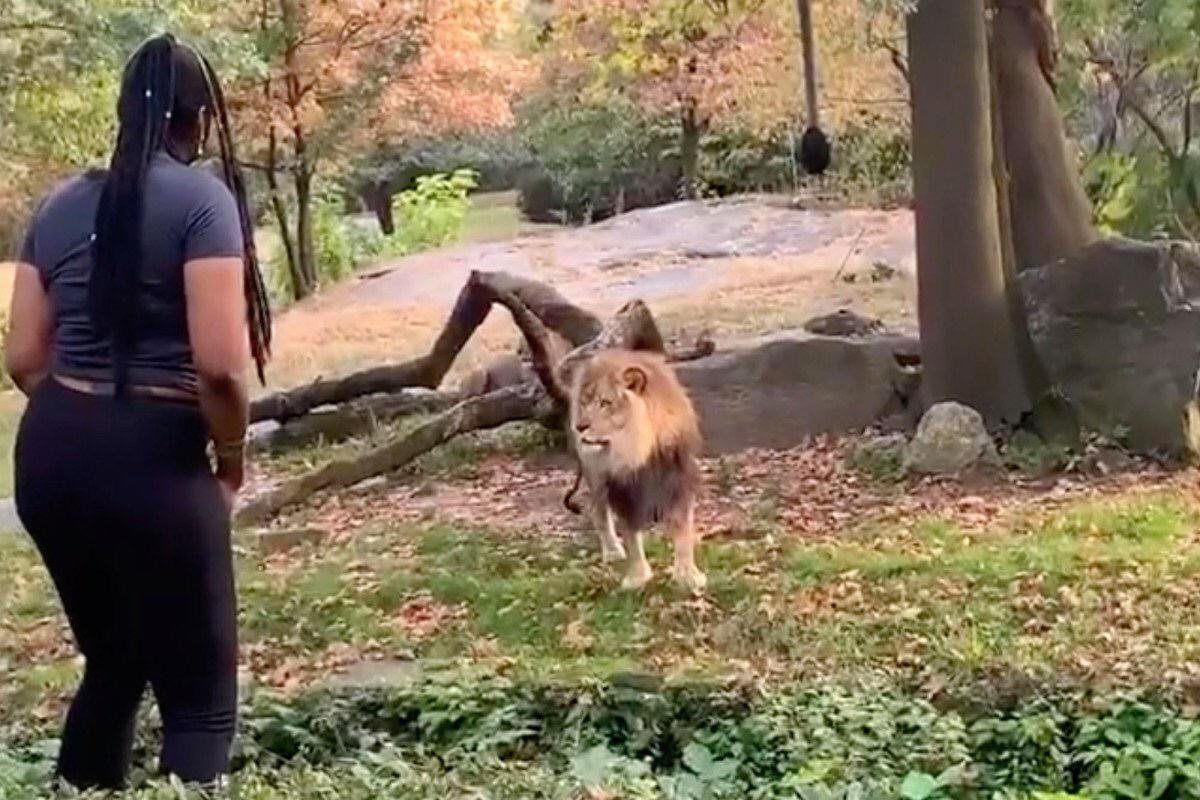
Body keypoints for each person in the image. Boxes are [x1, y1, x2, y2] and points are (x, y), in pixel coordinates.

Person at [5, 33, 271, 790]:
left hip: (50, 454)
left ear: (124, 111)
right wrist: (229, 460)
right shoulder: (202, 201)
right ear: (198, 121)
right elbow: (220, 366)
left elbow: (23, 356)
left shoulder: (57, 203)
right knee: (200, 698)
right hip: (155, 459)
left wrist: (85, 421)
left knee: (116, 661)